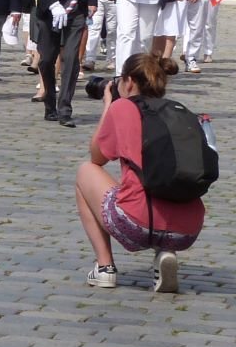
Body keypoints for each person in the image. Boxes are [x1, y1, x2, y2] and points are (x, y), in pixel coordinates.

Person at [74, 53, 204, 293]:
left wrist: (108, 107)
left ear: (129, 81)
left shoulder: (123, 108)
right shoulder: (178, 111)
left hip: (137, 224)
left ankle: (104, 268)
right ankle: (165, 252)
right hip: (188, 229)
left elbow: (97, 158)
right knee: (162, 186)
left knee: (85, 171)